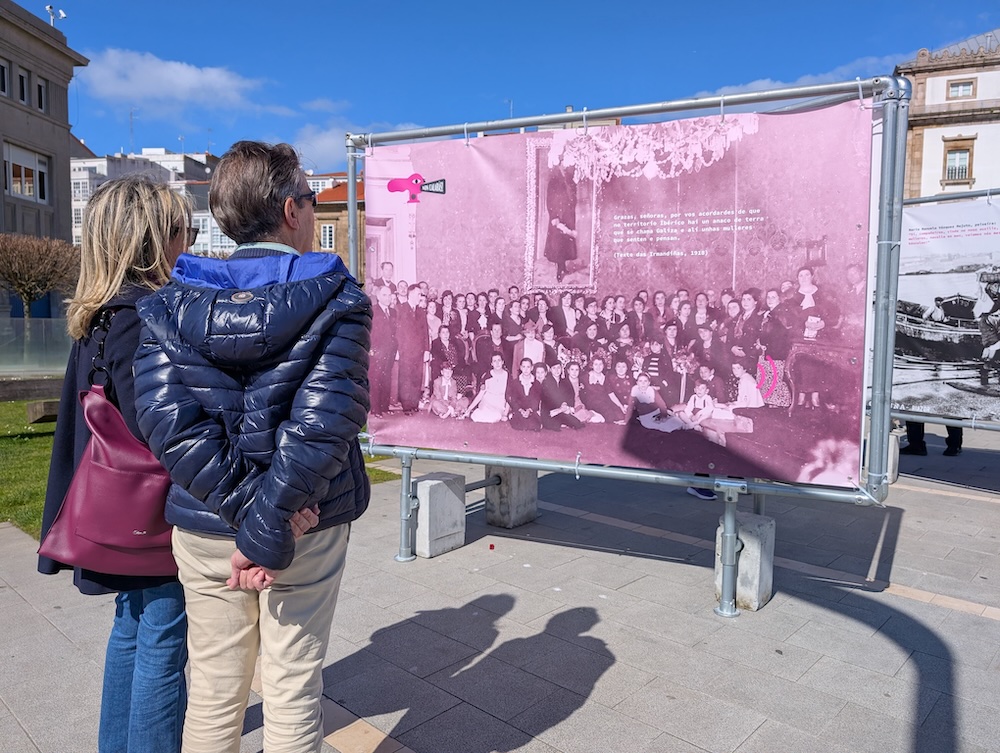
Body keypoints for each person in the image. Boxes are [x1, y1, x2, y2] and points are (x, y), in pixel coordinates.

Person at [133, 141, 371, 753]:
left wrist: (247, 522)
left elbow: (167, 425)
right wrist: (268, 524)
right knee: (292, 689)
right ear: (291, 210)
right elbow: (325, 422)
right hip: (304, 520)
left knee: (214, 690)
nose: (316, 212)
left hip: (211, 524)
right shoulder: (336, 298)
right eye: (313, 201)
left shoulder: (167, 305)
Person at [39, 174, 192, 753]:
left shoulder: (99, 314)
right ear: (151, 240)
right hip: (152, 513)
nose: (189, 241)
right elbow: (162, 426)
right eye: (183, 229)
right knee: (162, 638)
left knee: (131, 628)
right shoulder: (147, 317)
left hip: (112, 509)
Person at [543, 165, 578, 282]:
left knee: (566, 242)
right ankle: (559, 270)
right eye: (561, 163)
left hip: (568, 215)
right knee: (557, 243)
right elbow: (549, 200)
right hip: (557, 216)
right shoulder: (553, 181)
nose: (564, 166)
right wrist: (553, 216)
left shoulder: (570, 179)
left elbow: (574, 198)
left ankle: (563, 266)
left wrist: (571, 208)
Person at [370, 284, 397, 418]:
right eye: (384, 295)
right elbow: (368, 332)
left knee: (387, 378)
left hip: (390, 352)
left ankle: (384, 407)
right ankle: (376, 409)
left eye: (389, 295)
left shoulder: (393, 312)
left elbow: (395, 333)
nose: (387, 298)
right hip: (377, 352)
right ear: (378, 296)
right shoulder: (373, 311)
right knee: (376, 379)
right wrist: (370, 349)